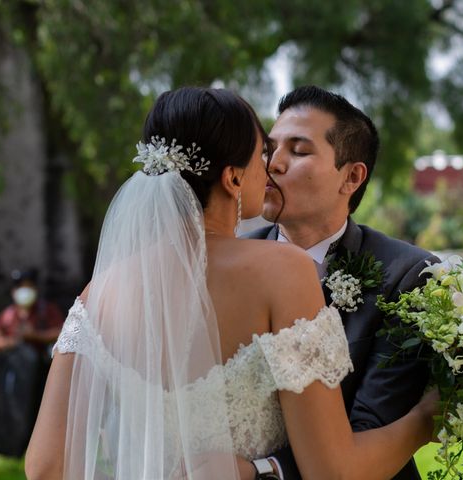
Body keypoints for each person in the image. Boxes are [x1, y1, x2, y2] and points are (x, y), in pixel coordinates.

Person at [25, 87, 438, 480]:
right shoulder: (283, 270)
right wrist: (425, 419)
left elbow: (45, 468)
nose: (272, 166)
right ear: (233, 179)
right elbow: (332, 472)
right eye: (263, 154)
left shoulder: (97, 293)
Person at [245, 85, 438, 480]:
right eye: (269, 149)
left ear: (351, 177)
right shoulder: (233, 264)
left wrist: (257, 472)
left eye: (298, 151)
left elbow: (368, 432)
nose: (273, 165)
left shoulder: (408, 275)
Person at [0, 268, 64, 457]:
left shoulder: (46, 310)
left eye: (29, 287)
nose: (25, 292)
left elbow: (63, 332)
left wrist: (36, 336)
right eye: (21, 288)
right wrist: (12, 342)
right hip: (18, 377)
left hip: (42, 375)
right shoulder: (8, 315)